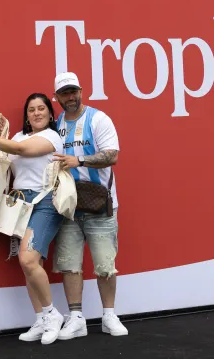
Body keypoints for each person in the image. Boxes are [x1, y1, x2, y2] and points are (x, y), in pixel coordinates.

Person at [0, 93, 66, 344]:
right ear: (27, 115)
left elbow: (22, 150)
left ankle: (52, 315)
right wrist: (4, 133)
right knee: (29, 266)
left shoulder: (52, 137)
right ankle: (41, 319)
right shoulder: (18, 136)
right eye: (31, 110)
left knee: (28, 258)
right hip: (20, 204)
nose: (36, 113)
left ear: (50, 114)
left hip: (45, 203)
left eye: (41, 108)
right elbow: (7, 156)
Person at [50, 71, 127, 339]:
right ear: (57, 97)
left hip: (99, 205)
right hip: (68, 207)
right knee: (70, 264)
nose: (70, 97)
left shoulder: (98, 118)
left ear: (81, 90)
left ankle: (109, 315)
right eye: (64, 93)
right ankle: (76, 318)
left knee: (106, 265)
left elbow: (112, 155)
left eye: (73, 91)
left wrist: (79, 161)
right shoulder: (55, 122)